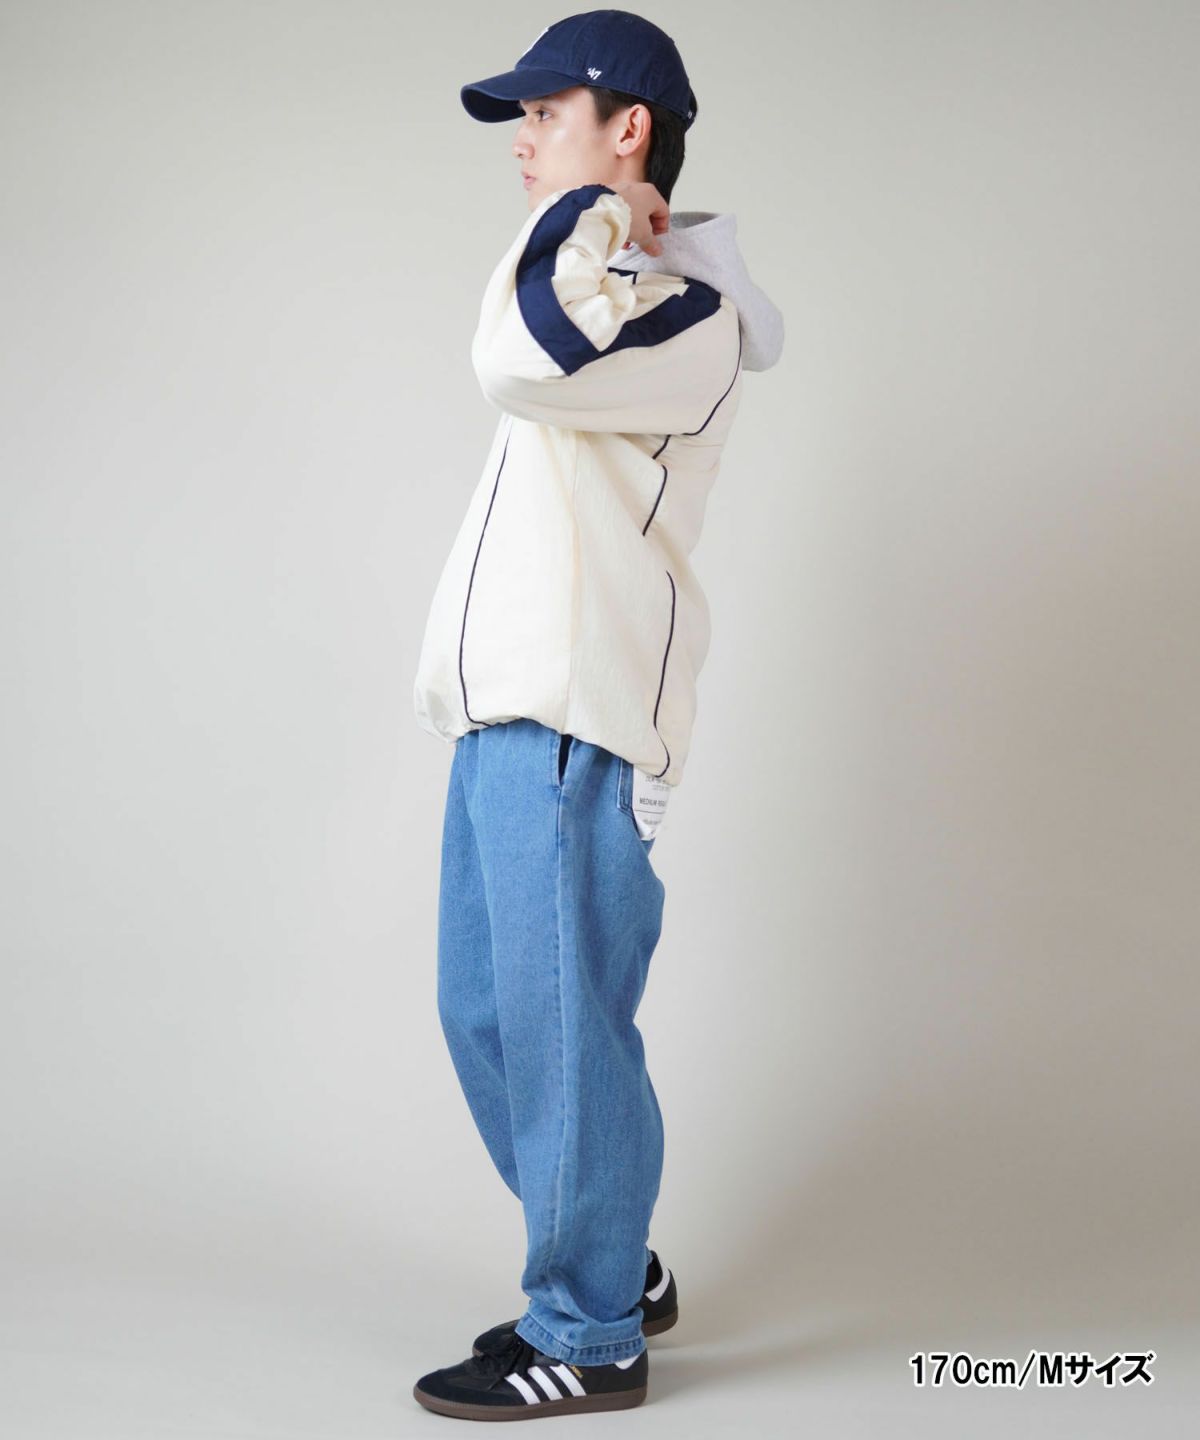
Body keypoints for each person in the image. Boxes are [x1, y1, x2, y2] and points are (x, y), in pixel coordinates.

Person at [411, 8, 783, 1421]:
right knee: (490, 1015)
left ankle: (589, 1328)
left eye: (546, 114)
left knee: (560, 1027)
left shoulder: (681, 315)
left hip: (580, 714)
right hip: (508, 711)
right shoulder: (606, 288)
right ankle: (613, 1257)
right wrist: (598, 218)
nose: (524, 143)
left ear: (629, 129)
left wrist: (597, 211)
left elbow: (515, 355)